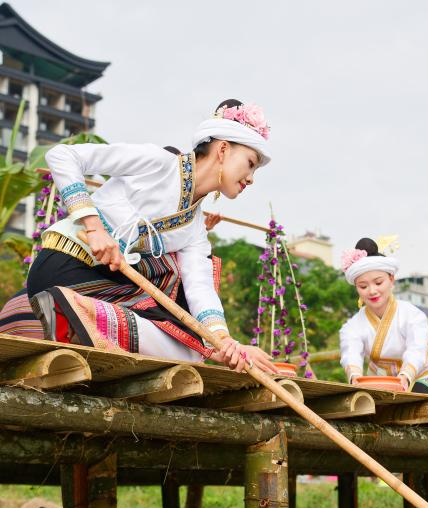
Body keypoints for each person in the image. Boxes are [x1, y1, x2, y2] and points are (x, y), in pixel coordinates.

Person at [23, 99, 274, 373]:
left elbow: (200, 288)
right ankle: (67, 308)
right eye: (250, 164)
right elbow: (62, 155)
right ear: (223, 149)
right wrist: (93, 227)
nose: (251, 179)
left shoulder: (195, 230)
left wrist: (223, 342)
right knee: (171, 274)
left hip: (109, 287)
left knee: (191, 352)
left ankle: (76, 317)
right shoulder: (157, 162)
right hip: (66, 266)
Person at [338, 238, 428, 395]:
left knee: (414, 397)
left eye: (378, 283)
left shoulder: (412, 315)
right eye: (363, 286)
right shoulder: (352, 327)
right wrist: (355, 377)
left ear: (391, 279)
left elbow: (416, 350)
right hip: (387, 384)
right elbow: (351, 354)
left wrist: (406, 375)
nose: (372, 291)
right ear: (357, 288)